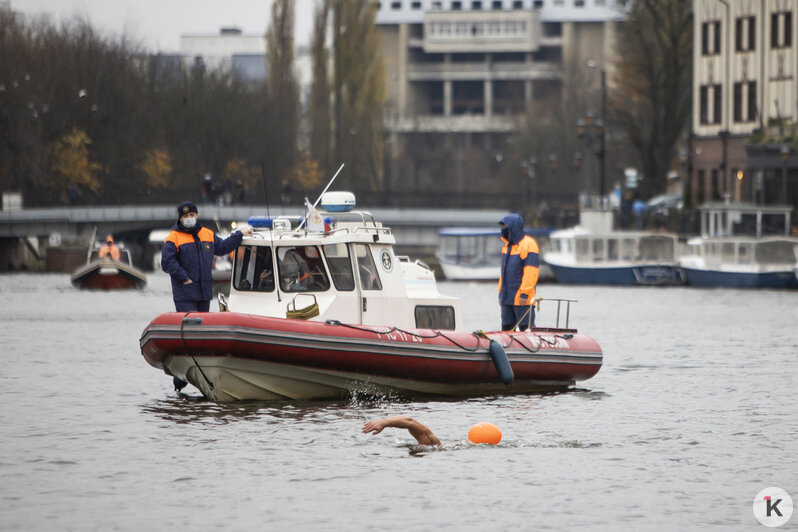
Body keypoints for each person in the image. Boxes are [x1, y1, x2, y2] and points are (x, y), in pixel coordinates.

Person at [162, 201, 252, 313]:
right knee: (192, 324)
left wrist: (240, 234)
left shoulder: (207, 234)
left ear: (196, 216)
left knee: (202, 325)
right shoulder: (173, 238)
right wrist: (184, 278)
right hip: (185, 295)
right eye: (185, 216)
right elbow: (167, 262)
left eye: (191, 215)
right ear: (180, 219)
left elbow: (223, 247)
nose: (189, 218)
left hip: (204, 294)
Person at [498, 213, 540, 330]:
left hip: (522, 298)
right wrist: (501, 294)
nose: (503, 229)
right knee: (506, 326)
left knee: (525, 327)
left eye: (505, 226)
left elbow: (531, 272)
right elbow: (503, 274)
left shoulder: (529, 244)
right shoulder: (507, 246)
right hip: (506, 297)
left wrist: (524, 294)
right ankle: (507, 348)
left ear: (513, 227)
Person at [362, 416, 441, 446]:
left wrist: (384, 422)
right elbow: (410, 422)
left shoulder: (431, 445)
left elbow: (410, 422)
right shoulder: (433, 444)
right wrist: (384, 422)